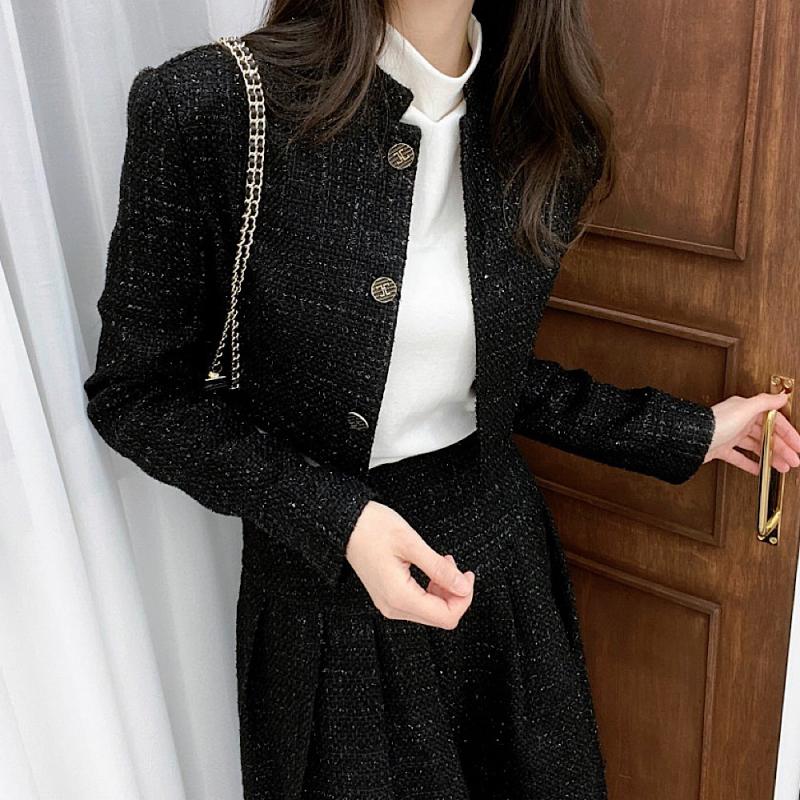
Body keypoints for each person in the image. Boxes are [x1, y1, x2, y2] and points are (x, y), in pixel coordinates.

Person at [83, 1, 800, 798]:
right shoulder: (213, 105)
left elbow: (496, 378)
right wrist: (339, 521)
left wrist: (686, 431)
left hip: (503, 582)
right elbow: (137, 397)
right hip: (326, 605)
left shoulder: (545, 130)